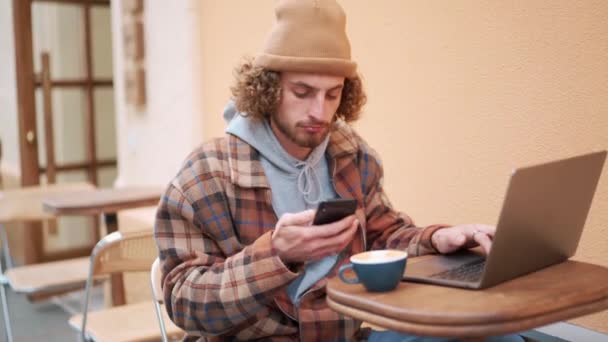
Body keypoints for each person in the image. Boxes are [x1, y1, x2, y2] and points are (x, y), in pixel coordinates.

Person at [154, 1, 523, 341]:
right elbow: (185, 303)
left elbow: (383, 238)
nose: (320, 112)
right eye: (302, 92)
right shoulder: (207, 174)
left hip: (345, 336)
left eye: (333, 94)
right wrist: (277, 256)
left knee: (496, 334)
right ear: (267, 88)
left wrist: (438, 239)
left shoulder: (349, 154)